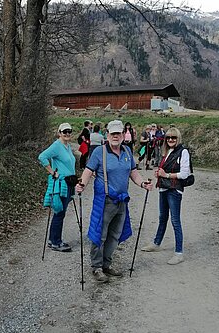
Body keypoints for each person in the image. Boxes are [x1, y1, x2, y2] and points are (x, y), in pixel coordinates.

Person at [76, 119, 153, 282]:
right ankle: (96, 267)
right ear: (107, 134)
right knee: (100, 234)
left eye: (118, 133)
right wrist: (82, 184)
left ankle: (106, 264)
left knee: (115, 235)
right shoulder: (99, 152)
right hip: (105, 201)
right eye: (113, 133)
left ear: (122, 135)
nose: (116, 136)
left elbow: (133, 172)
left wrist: (142, 183)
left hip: (122, 201)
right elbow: (89, 171)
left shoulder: (126, 151)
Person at [141, 127, 190, 265]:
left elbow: (185, 174)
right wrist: (159, 173)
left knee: (175, 220)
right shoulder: (166, 151)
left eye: (173, 138)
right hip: (163, 188)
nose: (170, 140)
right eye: (168, 138)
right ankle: (156, 243)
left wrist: (166, 175)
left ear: (178, 138)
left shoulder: (183, 152)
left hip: (174, 189)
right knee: (162, 217)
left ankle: (179, 253)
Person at [38, 122, 77, 252]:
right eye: (64, 131)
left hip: (69, 182)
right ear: (59, 133)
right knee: (59, 213)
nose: (67, 134)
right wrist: (52, 172)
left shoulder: (67, 146)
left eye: (69, 131)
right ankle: (56, 242)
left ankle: (52, 239)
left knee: (60, 212)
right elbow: (42, 157)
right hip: (61, 184)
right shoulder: (56, 146)